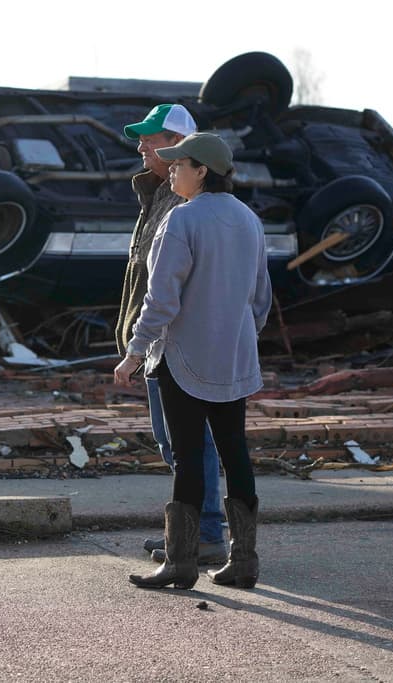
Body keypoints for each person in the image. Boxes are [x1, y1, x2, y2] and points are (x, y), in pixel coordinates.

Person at [119, 132, 272, 590]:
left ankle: (181, 564)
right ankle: (243, 560)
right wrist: (240, 334)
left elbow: (161, 298)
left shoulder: (181, 220)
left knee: (188, 457)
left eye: (180, 165)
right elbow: (260, 297)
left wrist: (134, 350)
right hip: (235, 357)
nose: (173, 173)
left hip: (183, 358)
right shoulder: (249, 220)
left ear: (202, 170)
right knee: (235, 453)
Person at [114, 104, 227, 567]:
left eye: (151, 138)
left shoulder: (183, 202)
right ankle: (191, 530)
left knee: (189, 443)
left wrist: (141, 345)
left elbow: (170, 286)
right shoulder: (158, 194)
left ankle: (205, 534)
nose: (140, 146)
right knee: (175, 443)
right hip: (160, 342)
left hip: (174, 344)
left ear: (178, 144)